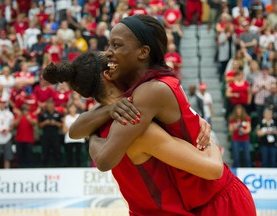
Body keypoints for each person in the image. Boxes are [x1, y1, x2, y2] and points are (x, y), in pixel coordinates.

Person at [66, 15, 255, 215]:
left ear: (143, 52)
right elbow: (76, 129)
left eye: (116, 45)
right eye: (108, 45)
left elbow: (103, 159)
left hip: (218, 199)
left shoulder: (150, 92)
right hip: (199, 201)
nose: (108, 53)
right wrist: (106, 111)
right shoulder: (142, 90)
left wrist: (93, 136)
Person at [43, 52, 223, 216]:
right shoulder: (136, 118)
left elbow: (76, 131)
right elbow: (214, 170)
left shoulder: (98, 125)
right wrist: (211, 143)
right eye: (114, 64)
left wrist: (95, 136)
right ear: (108, 74)